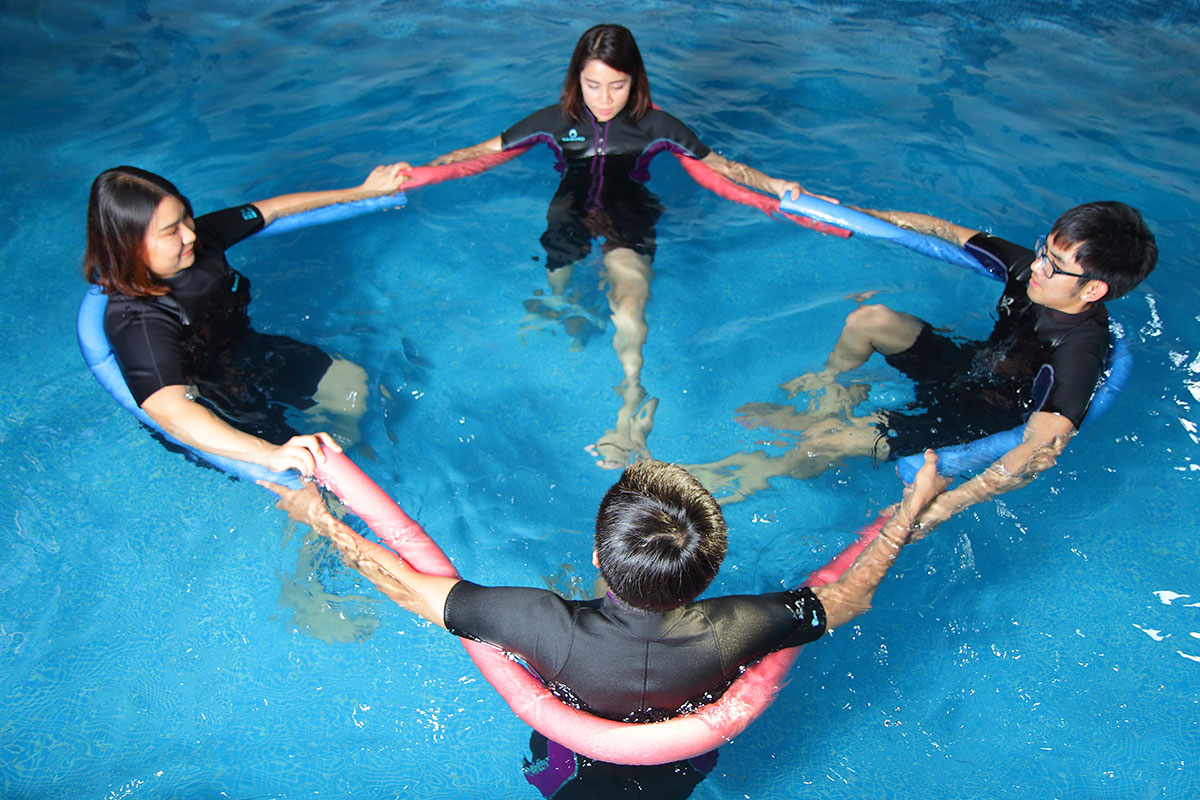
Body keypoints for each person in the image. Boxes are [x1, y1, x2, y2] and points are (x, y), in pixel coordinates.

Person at [266, 449, 950, 797]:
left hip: (569, 752)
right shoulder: (743, 622)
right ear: (710, 571)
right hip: (682, 761)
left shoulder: (539, 622)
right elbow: (849, 596)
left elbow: (409, 587)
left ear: (598, 554)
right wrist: (908, 511)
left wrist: (323, 520)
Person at [417, 24, 827, 470]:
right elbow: (476, 153)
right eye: (592, 85)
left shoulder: (656, 126)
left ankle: (630, 406)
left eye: (618, 85)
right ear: (576, 79)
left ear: (636, 80)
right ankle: (569, 305)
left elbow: (724, 167)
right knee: (558, 289)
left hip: (630, 217)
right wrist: (416, 172)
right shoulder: (554, 121)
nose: (604, 98)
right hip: (570, 214)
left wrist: (776, 186)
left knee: (630, 309)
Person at [688, 201, 1157, 526]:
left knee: (825, 440)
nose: (1037, 266)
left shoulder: (1078, 353)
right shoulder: (1030, 273)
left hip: (976, 419)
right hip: (967, 369)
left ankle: (760, 474)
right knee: (870, 319)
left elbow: (1038, 451)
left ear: (1093, 288)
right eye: (1042, 251)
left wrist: (946, 505)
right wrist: (854, 216)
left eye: (1053, 265)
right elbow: (943, 230)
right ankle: (828, 385)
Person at [83, 163, 410, 477]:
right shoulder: (136, 319)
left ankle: (351, 455)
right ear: (129, 246)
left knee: (353, 384)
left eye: (186, 217)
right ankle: (325, 490)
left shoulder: (203, 239)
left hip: (250, 355)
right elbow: (170, 410)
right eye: (171, 231)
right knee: (305, 481)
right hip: (216, 405)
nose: (189, 234)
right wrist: (268, 455)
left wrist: (364, 191)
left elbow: (274, 209)